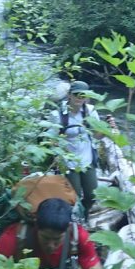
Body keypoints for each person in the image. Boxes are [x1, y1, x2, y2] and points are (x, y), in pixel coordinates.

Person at [49, 79, 104, 220]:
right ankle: (75, 221)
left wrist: (108, 130)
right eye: (77, 94)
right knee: (75, 196)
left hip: (87, 159)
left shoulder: (90, 111)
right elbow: (51, 139)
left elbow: (97, 136)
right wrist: (57, 157)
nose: (80, 98)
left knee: (92, 194)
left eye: (83, 95)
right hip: (68, 161)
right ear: (69, 95)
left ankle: (84, 216)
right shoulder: (58, 115)